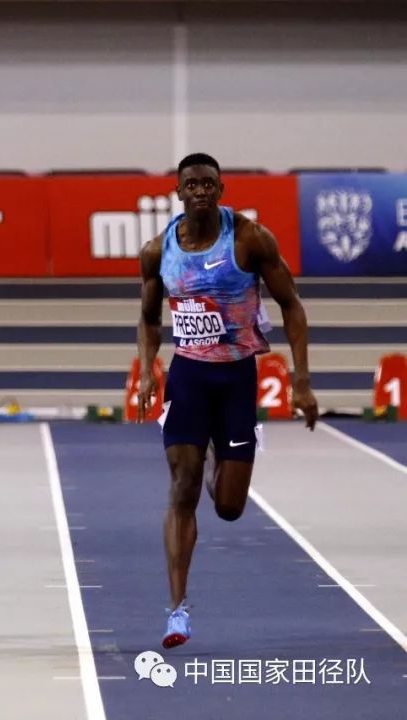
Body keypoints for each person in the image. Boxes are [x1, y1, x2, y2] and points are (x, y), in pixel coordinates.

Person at [137, 153, 319, 649]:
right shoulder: (158, 251)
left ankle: (218, 452)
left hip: (238, 377)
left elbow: (292, 305)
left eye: (208, 184)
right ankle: (177, 611)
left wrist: (301, 380)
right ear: (177, 192)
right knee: (182, 486)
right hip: (189, 377)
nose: (199, 191)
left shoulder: (249, 239)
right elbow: (149, 316)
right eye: (191, 184)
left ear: (220, 190)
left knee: (231, 507)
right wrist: (149, 370)